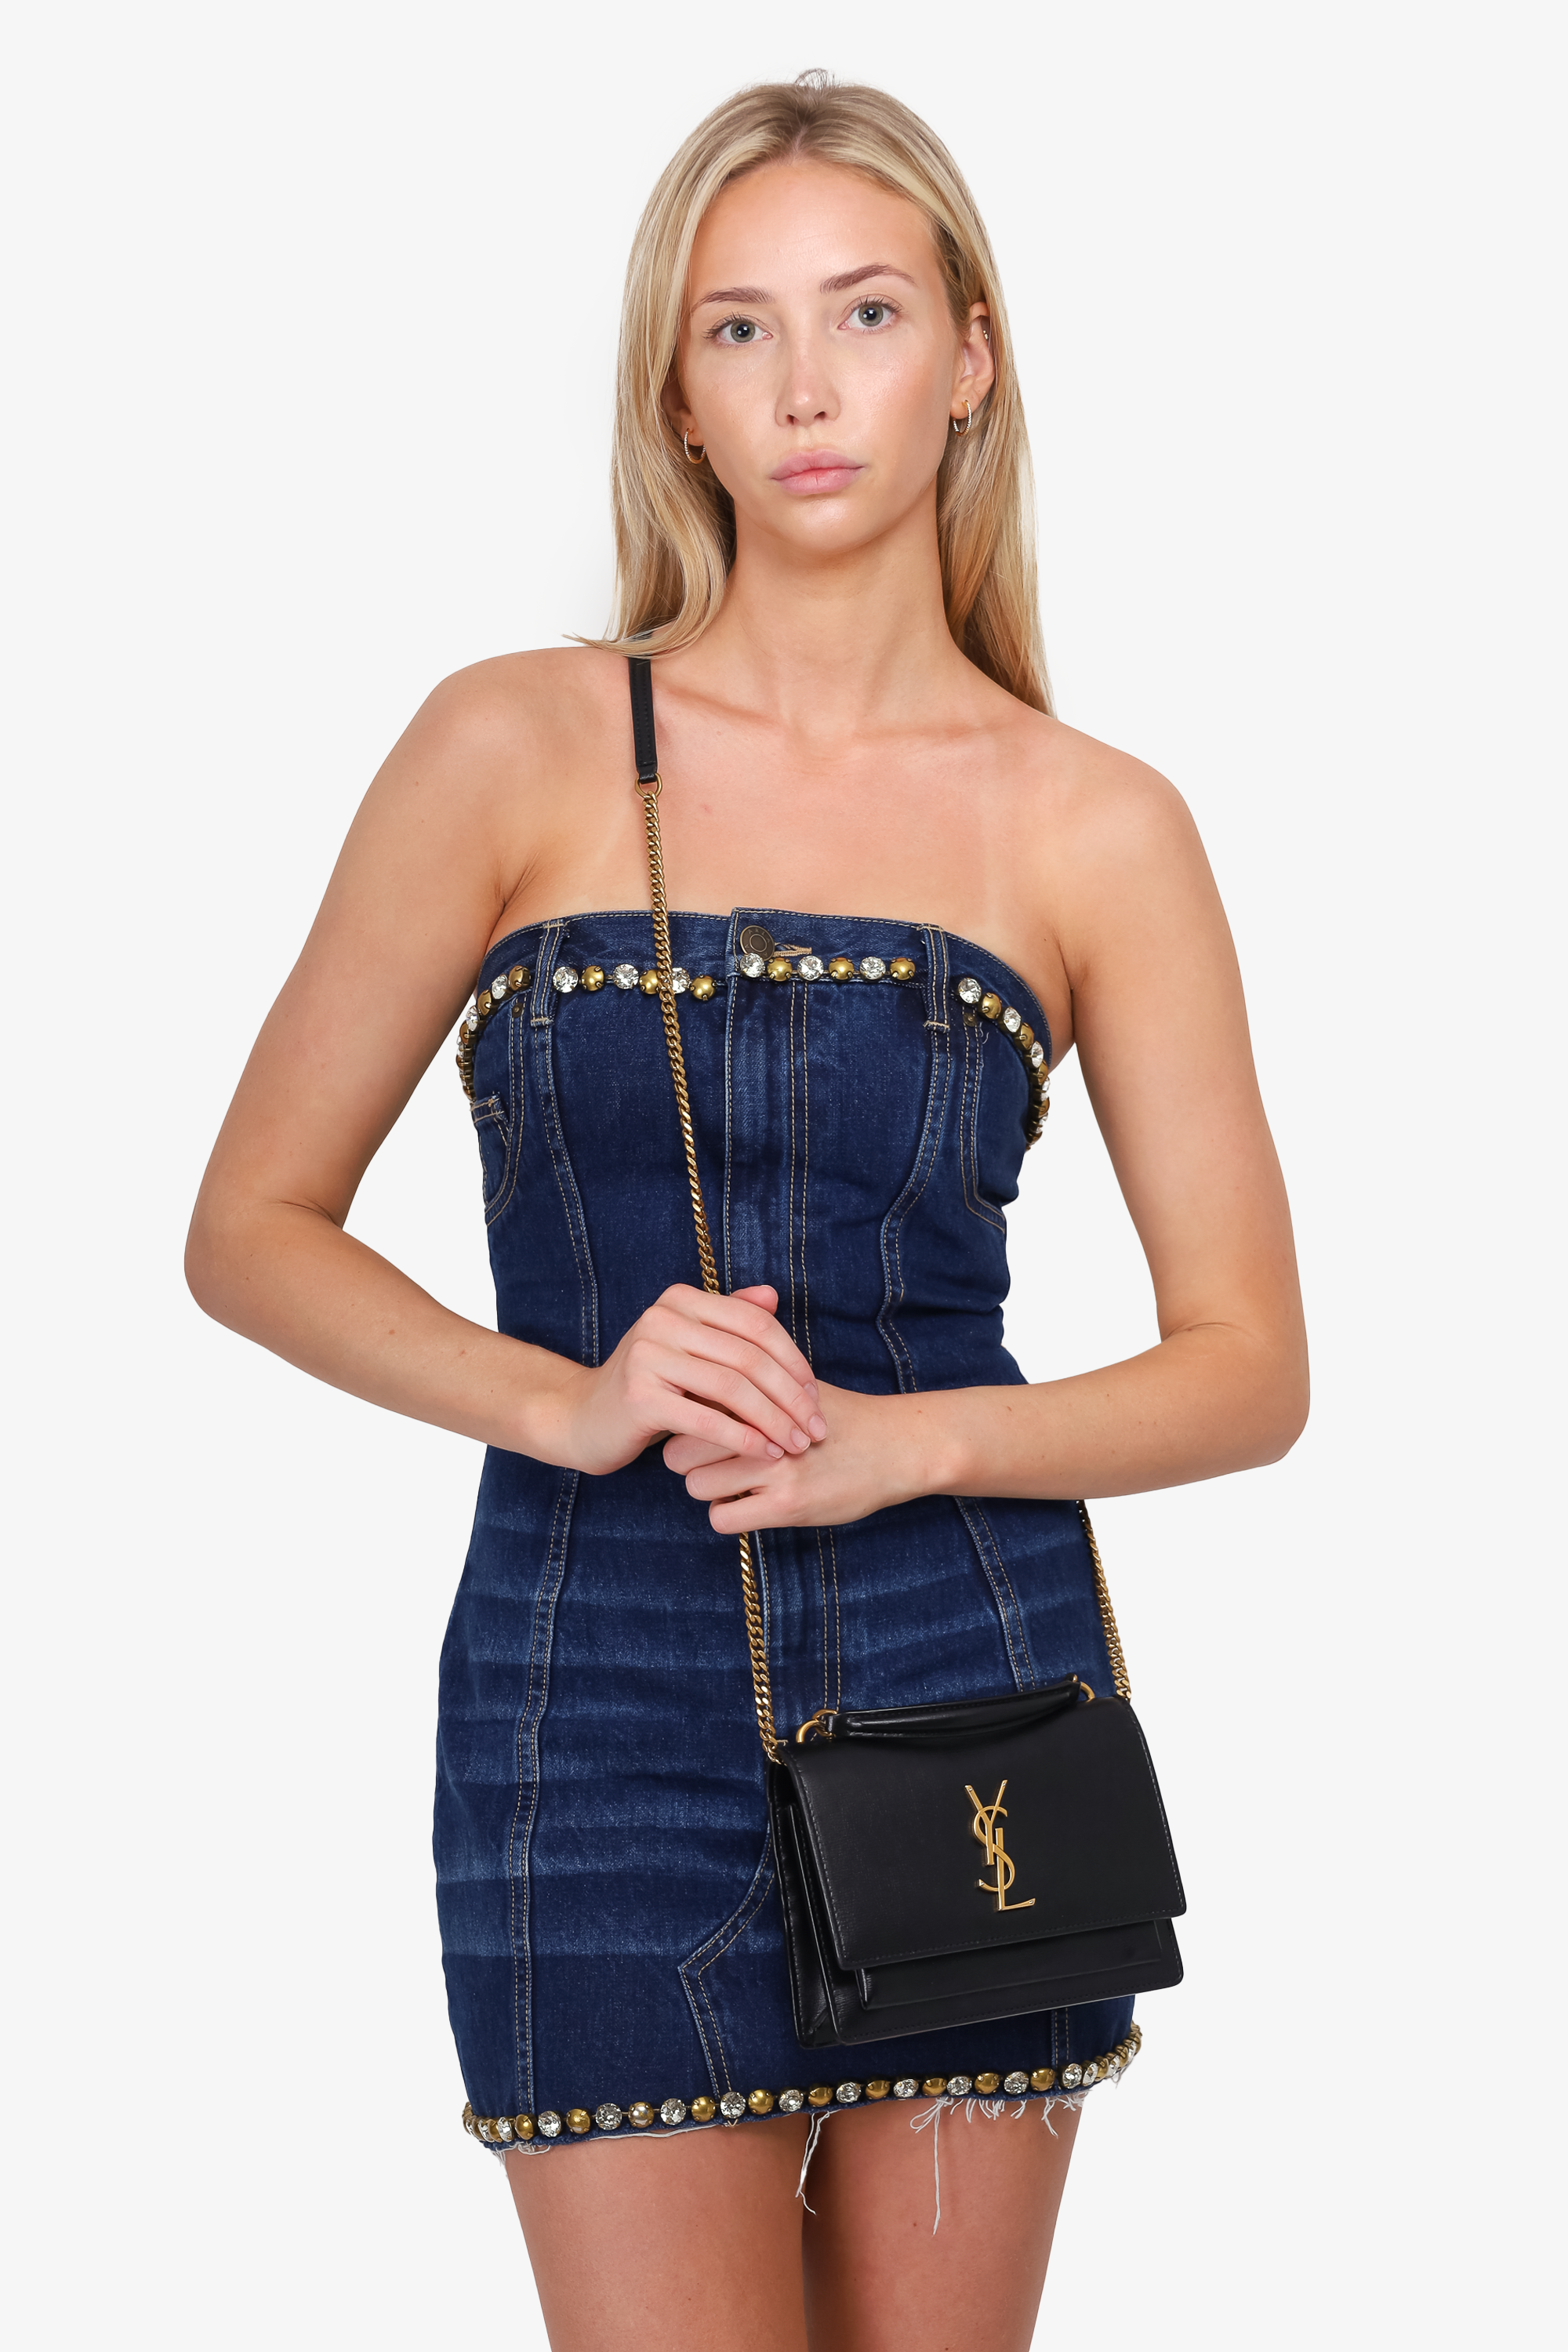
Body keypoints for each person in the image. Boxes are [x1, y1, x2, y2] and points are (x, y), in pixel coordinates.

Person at [187, 71, 1307, 2352]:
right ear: (672, 394)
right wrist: (566, 1398)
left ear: (971, 358)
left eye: (867, 313)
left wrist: (912, 1445)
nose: (807, 387)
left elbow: (1251, 1369)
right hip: (590, 1672)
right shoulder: (509, 745)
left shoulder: (1094, 822)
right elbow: (251, 1221)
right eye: (739, 329)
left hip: (967, 1662)